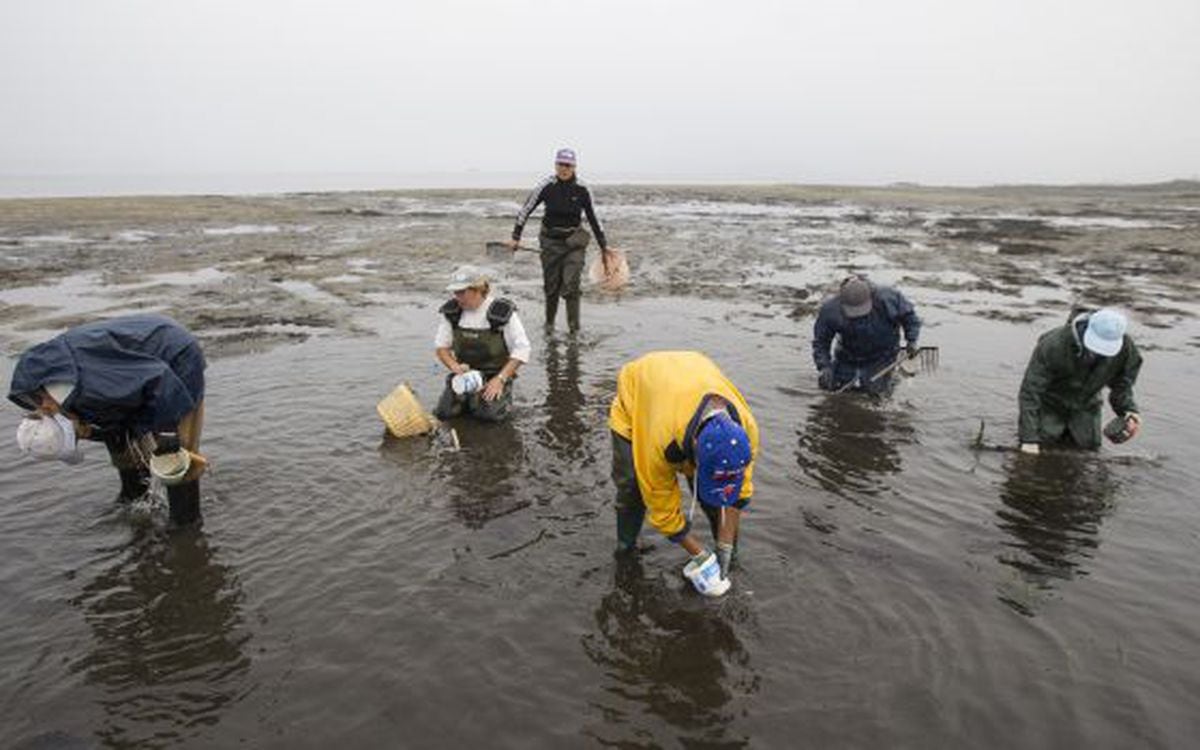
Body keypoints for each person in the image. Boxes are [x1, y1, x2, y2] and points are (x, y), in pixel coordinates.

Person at [8, 314, 207, 526]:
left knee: (175, 457)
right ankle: (133, 499)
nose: (79, 439)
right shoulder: (46, 393)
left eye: (74, 439)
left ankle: (186, 524)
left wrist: (168, 432)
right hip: (134, 373)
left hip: (173, 356)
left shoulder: (94, 387)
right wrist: (92, 433)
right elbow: (115, 428)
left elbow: (160, 379)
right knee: (124, 448)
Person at [609, 351, 760, 589]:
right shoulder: (659, 438)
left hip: (688, 380)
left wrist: (725, 547)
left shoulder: (745, 431)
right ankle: (625, 548)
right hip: (638, 398)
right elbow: (660, 500)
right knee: (632, 486)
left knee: (715, 499)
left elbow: (738, 492)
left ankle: (731, 558)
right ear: (695, 451)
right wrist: (700, 555)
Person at [506, 147, 615, 332]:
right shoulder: (546, 185)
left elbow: (593, 217)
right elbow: (525, 210)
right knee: (551, 287)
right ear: (555, 165)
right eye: (560, 164)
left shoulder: (582, 188)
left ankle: (574, 329)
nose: (564, 168)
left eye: (568, 165)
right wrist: (516, 237)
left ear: (574, 167)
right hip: (550, 242)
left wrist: (604, 246)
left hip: (574, 242)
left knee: (571, 285)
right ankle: (549, 325)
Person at [1017, 307, 1143, 454]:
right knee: (1041, 447)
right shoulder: (1053, 345)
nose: (1099, 351)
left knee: (1089, 451)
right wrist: (1029, 439)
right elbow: (1030, 392)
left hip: (1087, 408)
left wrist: (1128, 410)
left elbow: (1122, 385)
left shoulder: (1126, 350)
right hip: (1050, 405)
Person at [434, 265, 531, 422]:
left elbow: (522, 349)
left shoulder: (501, 312)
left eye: (462, 292)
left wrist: (500, 379)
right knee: (444, 414)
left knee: (488, 417)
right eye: (455, 292)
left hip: (495, 374)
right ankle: (470, 399)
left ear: (478, 289)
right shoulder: (452, 313)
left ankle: (502, 396)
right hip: (464, 374)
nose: (457, 297)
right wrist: (455, 367)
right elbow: (441, 348)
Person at [812, 275, 921, 395]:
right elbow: (821, 342)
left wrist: (911, 340)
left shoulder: (889, 298)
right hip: (847, 356)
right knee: (832, 389)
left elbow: (910, 318)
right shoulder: (830, 311)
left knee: (876, 394)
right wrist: (824, 367)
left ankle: (890, 381)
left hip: (882, 356)